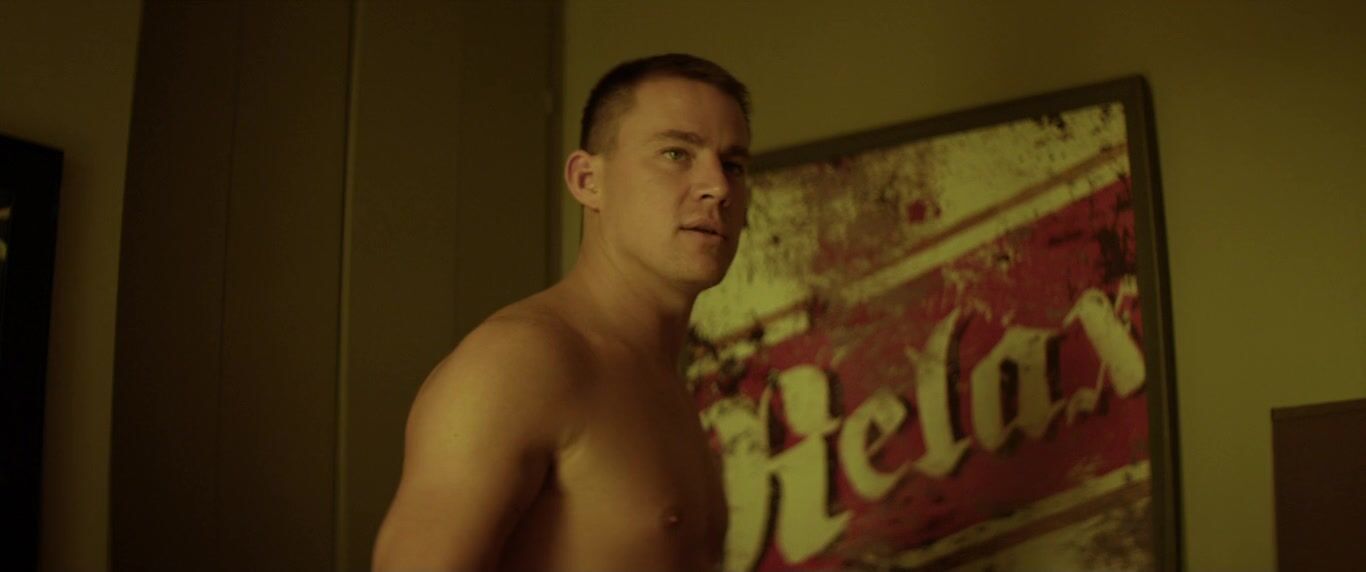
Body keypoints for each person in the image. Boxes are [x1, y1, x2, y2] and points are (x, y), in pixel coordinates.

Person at [372, 53, 752, 571]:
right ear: (587, 180)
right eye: (675, 153)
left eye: (733, 164)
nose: (719, 187)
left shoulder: (662, 380)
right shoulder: (519, 363)